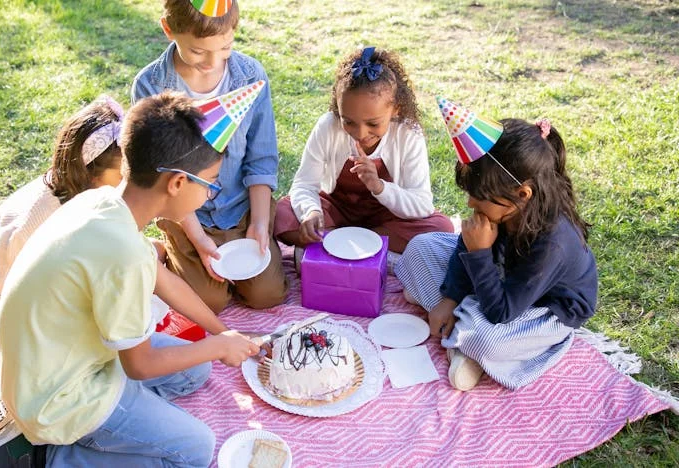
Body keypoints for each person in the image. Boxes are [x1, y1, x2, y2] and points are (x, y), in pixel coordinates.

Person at [0, 91, 261, 467]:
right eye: (210, 184)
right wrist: (218, 348)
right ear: (177, 184)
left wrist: (222, 334)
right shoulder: (125, 254)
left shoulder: (100, 201)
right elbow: (141, 365)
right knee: (196, 449)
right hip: (58, 400)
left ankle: (115, 431)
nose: (209, 195)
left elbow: (165, 282)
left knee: (193, 370)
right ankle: (59, 457)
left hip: (56, 366)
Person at [395, 100, 598, 392]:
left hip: (539, 310)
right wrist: (450, 298)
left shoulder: (554, 243)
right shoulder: (505, 207)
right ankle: (459, 316)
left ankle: (470, 349)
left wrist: (479, 253)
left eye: (478, 196)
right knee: (420, 248)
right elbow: (461, 253)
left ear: (522, 194)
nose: (470, 203)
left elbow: (501, 312)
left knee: (486, 339)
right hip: (500, 282)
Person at [131, 0, 287, 313]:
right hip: (189, 214)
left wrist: (258, 223)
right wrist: (200, 241)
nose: (212, 62)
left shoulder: (250, 76)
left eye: (225, 47)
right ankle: (168, 251)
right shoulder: (151, 85)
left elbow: (261, 157)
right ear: (168, 30)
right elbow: (163, 175)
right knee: (210, 302)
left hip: (240, 208)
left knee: (266, 295)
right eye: (199, 51)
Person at [0, 95, 125, 329]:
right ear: (91, 173)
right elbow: (8, 277)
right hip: (7, 276)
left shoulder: (89, 192)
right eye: (123, 173)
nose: (127, 180)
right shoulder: (40, 218)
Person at [274, 46, 454, 272]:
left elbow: (422, 204)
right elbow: (304, 184)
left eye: (373, 123)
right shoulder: (327, 126)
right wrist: (312, 212)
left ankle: (333, 249)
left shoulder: (408, 134)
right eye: (348, 121)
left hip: (386, 220)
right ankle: (374, 253)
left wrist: (379, 187)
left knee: (441, 228)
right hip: (335, 212)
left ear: (395, 109)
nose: (360, 133)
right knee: (280, 213)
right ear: (338, 109)